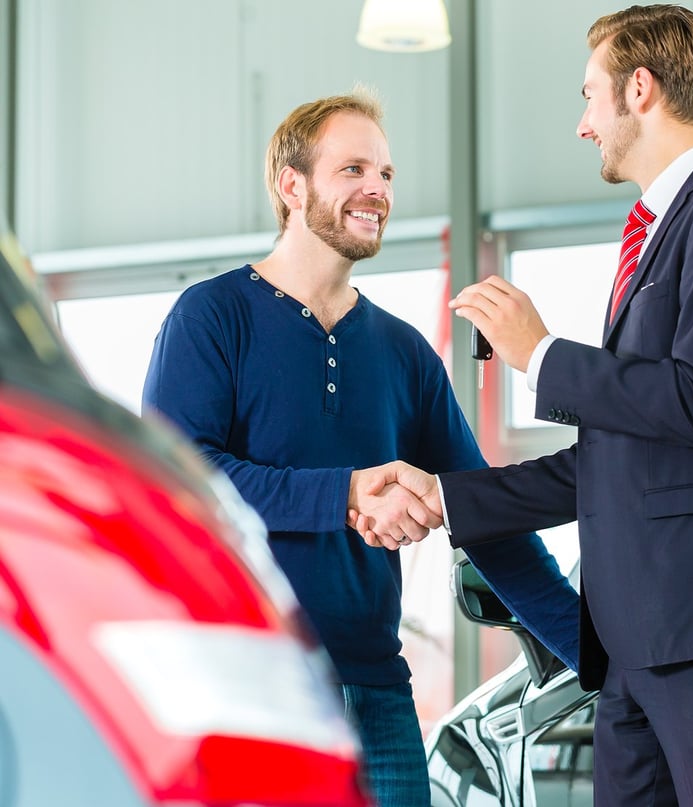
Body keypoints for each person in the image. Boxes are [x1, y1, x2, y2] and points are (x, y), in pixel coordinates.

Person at [352, 6, 693, 805]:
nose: (582, 124)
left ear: (641, 89)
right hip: (634, 653)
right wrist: (446, 495)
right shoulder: (653, 233)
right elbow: (619, 454)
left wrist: (541, 352)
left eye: (589, 96)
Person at [141, 92, 579, 807]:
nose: (378, 189)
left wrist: (604, 657)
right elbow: (178, 481)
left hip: (379, 698)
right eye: (353, 168)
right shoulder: (210, 318)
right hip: (253, 691)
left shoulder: (404, 353)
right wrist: (343, 493)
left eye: (386, 173)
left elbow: (489, 522)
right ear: (293, 185)